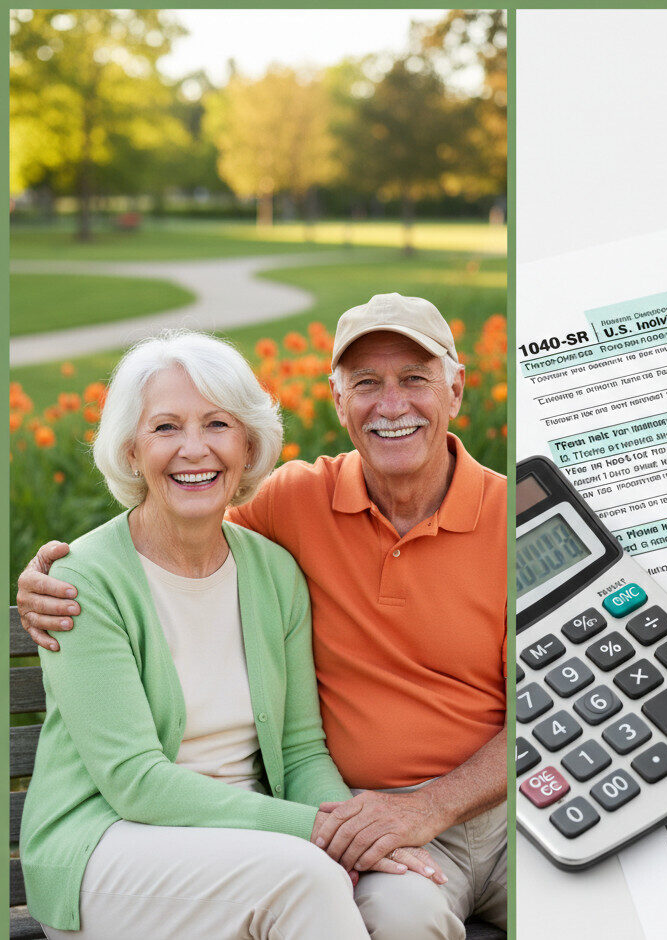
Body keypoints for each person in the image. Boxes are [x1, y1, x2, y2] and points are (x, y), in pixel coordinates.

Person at [18, 293, 509, 940]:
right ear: (131, 449)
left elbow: (302, 749)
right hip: (121, 836)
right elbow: (135, 777)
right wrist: (332, 831)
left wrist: (363, 826)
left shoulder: (269, 569)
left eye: (414, 379)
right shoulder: (287, 509)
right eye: (166, 428)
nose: (196, 449)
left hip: (488, 814)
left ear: (456, 390)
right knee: (325, 882)